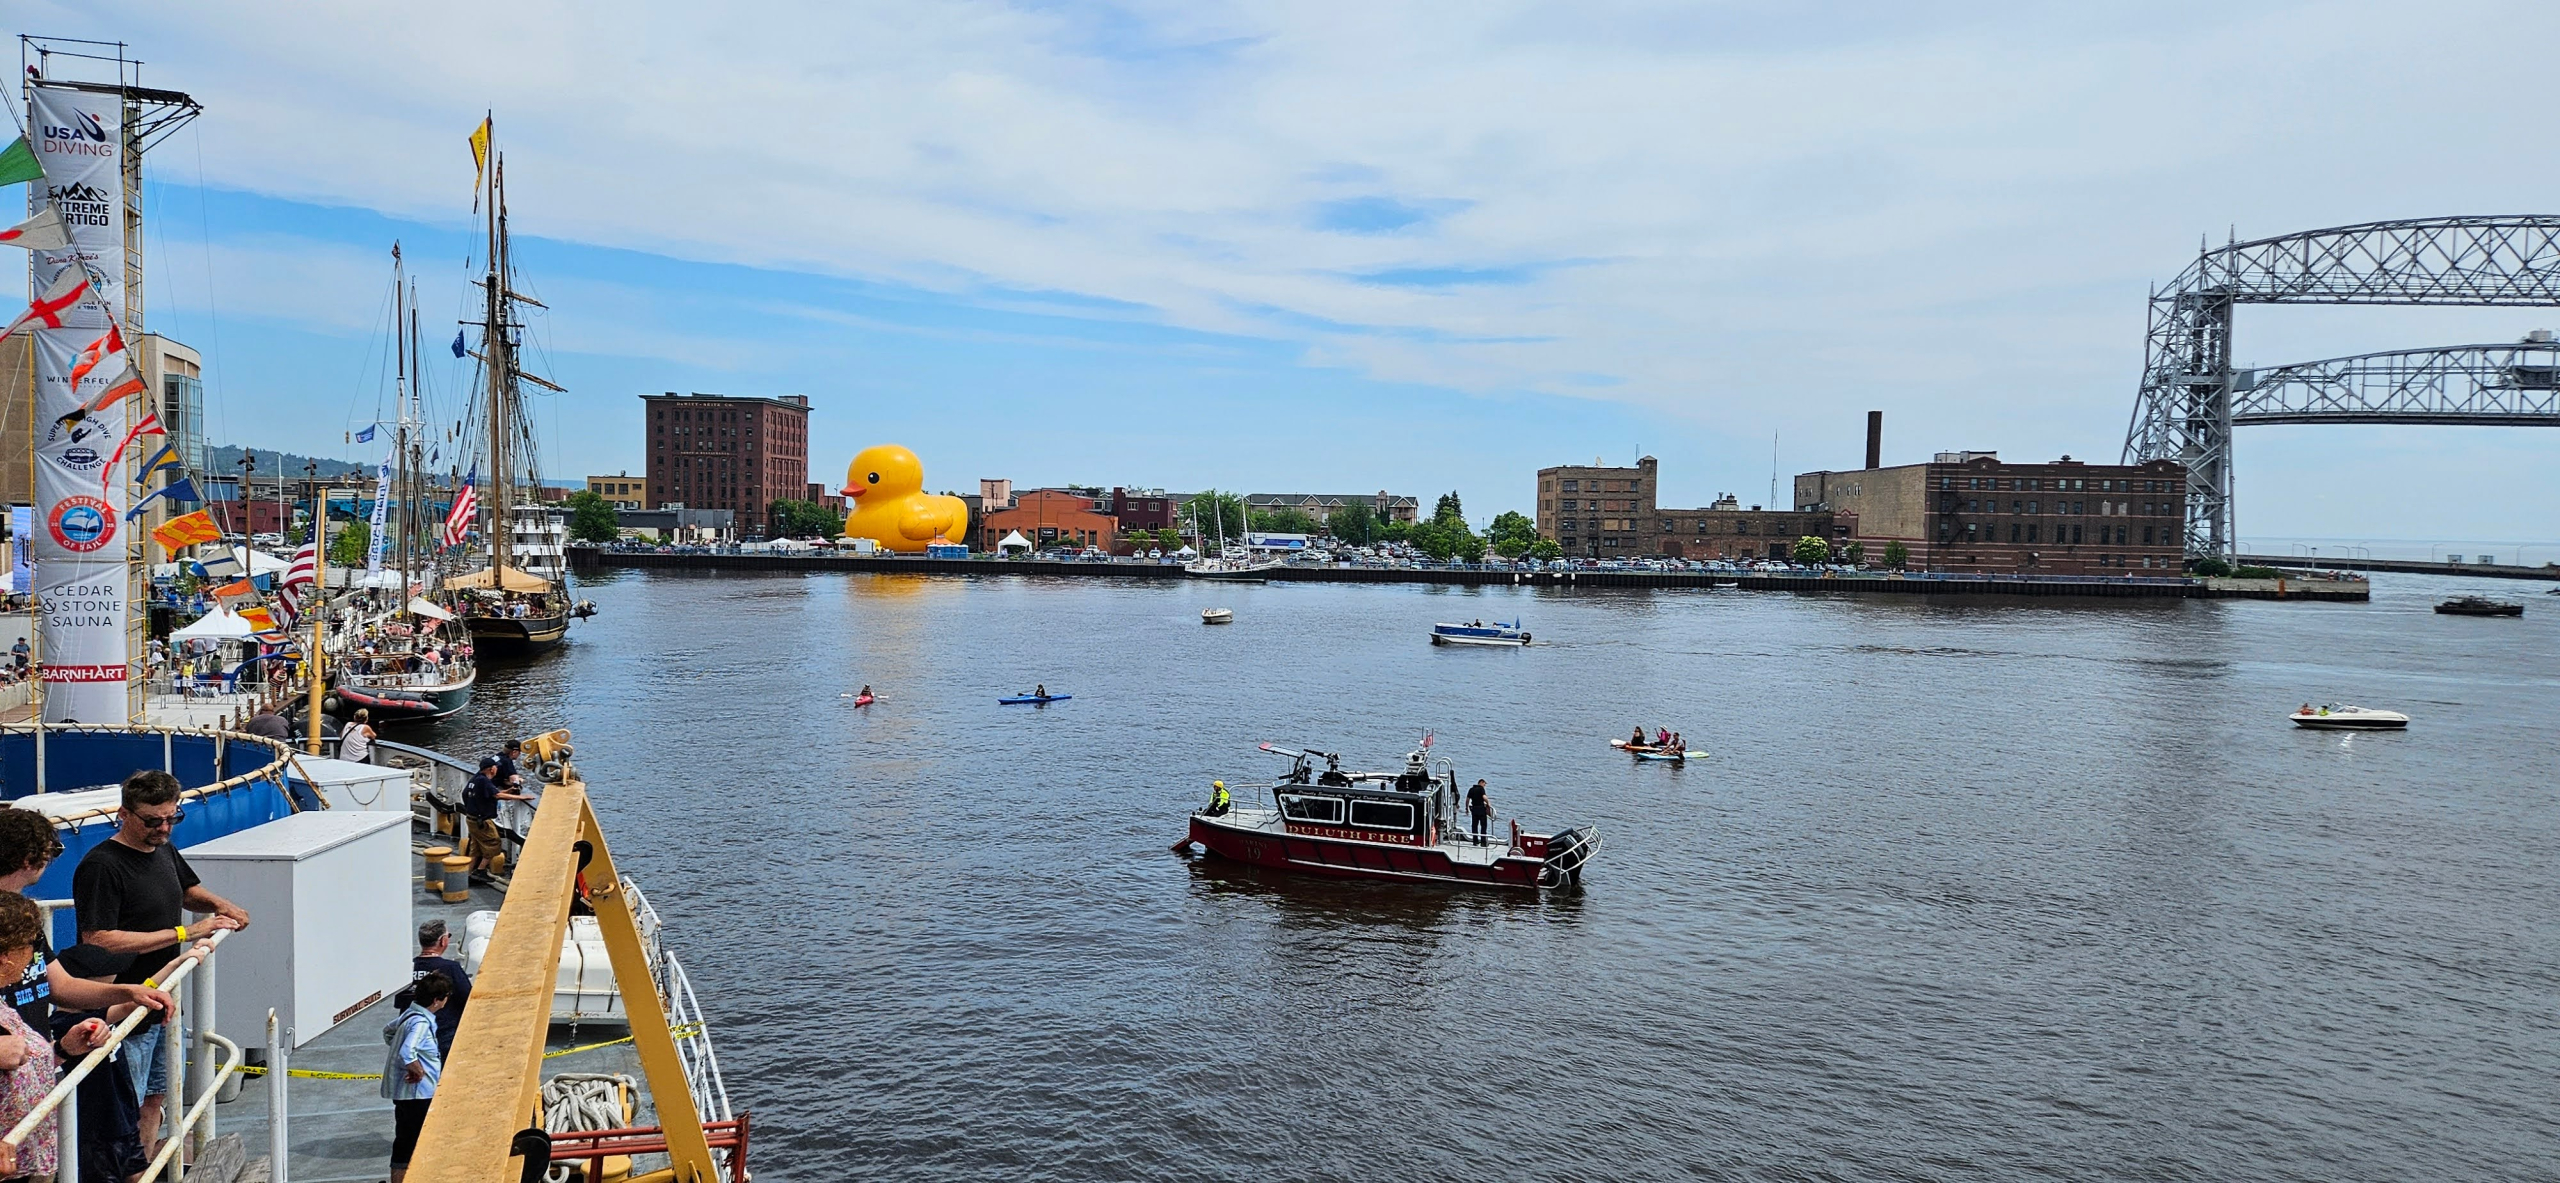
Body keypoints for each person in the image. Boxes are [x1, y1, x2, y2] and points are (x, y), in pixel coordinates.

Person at [74, 771, 251, 1158]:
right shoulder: (101, 866)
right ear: (124, 814)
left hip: (162, 1003)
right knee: (126, 1105)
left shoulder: (163, 848)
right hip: (124, 1007)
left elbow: (186, 890)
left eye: (173, 818)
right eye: (153, 821)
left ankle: (141, 1170)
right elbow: (99, 939)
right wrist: (185, 933)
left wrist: (222, 905)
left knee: (156, 1096)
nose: (165, 828)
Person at [0, 809, 170, 1035]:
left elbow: (62, 987)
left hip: (36, 1051)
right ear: (30, 858)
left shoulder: (24, 917)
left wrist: (130, 992)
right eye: (51, 852)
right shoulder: (16, 919)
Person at [382, 972, 451, 1183]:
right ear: (437, 1000)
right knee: (415, 1142)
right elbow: (407, 1051)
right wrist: (418, 1070)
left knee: (404, 1141)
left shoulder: (410, 1014)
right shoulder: (421, 1023)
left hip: (405, 1095)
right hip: (418, 1095)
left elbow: (388, 1031)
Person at [408, 920, 473, 1058]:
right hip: (444, 1034)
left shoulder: (407, 969)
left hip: (412, 1034)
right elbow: (467, 999)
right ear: (443, 941)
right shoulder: (451, 968)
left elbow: (401, 1002)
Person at [462, 758, 531, 883]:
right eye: (496, 767)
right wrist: (520, 797)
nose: (497, 769)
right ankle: (480, 871)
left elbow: (489, 793)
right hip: (481, 821)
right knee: (493, 843)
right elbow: (497, 795)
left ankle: (467, 875)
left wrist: (508, 792)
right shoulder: (484, 780)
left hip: (471, 818)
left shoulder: (476, 779)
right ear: (491, 769)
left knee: (476, 848)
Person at [1465, 779, 1493, 845]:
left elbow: (1467, 799)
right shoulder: (1481, 789)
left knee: (1474, 826)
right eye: (1484, 784)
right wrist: (1488, 803)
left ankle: (1475, 842)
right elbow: (1484, 797)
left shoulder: (1471, 789)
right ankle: (1483, 842)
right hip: (1481, 809)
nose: (1484, 785)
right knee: (1483, 826)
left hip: (1474, 809)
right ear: (1481, 782)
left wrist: (1466, 808)